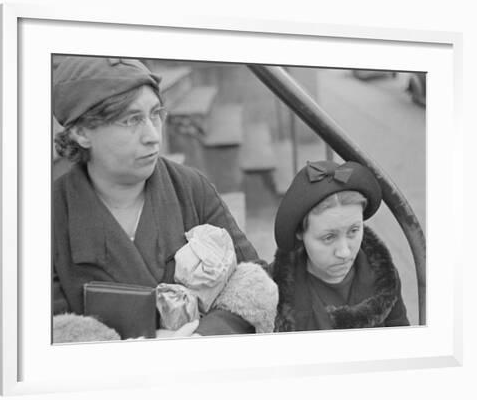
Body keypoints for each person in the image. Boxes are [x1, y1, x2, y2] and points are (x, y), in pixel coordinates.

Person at [51, 56, 277, 342]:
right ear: (81, 132)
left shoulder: (191, 189)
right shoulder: (49, 217)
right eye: (131, 120)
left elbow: (253, 276)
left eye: (155, 114)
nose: (153, 136)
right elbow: (48, 329)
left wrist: (202, 338)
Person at [271, 160, 409, 331]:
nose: (344, 252)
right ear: (300, 233)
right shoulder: (274, 291)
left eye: (353, 231)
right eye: (328, 237)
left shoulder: (383, 279)